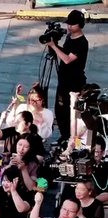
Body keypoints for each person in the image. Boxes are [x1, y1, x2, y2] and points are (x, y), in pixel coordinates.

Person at [47, 10, 89, 142]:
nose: (69, 27)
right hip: (63, 80)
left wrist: (53, 46)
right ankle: (64, 135)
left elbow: (67, 59)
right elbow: (64, 51)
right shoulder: (69, 37)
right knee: (59, 110)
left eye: (72, 24)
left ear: (80, 24)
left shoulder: (82, 43)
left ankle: (71, 137)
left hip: (74, 82)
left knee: (70, 112)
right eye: (68, 24)